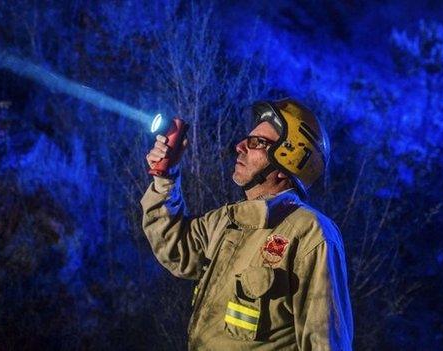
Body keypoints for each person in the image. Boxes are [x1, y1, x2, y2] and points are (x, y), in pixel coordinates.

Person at [141, 98, 353, 350]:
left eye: (256, 143)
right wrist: (165, 177)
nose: (240, 146)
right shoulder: (228, 220)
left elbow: (326, 343)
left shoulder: (311, 234)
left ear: (288, 161)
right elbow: (175, 248)